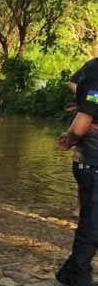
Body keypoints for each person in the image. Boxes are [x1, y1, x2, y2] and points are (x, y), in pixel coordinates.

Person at [56, 60, 98, 286]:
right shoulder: (96, 78)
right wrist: (71, 137)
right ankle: (79, 274)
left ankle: (70, 270)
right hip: (93, 162)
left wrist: (70, 136)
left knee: (92, 220)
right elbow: (83, 122)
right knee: (92, 223)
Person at [69, 59, 98, 218]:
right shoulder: (92, 67)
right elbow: (72, 82)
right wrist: (86, 96)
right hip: (88, 120)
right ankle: (80, 209)